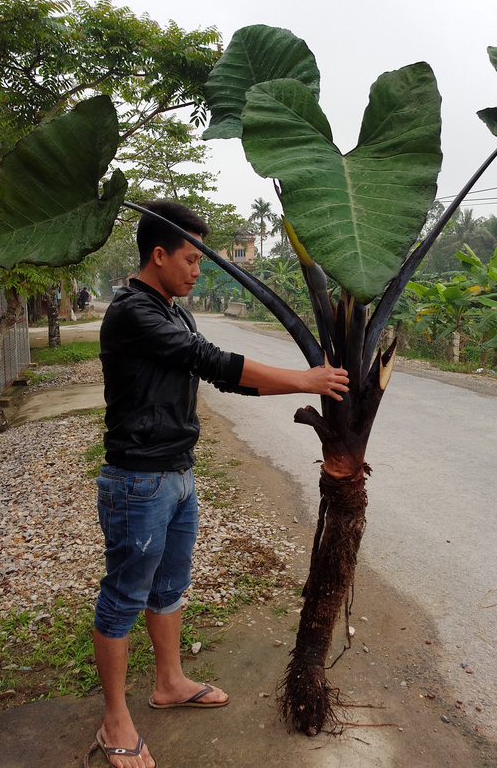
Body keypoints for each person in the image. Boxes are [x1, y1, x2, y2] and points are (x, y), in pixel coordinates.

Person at [88, 200, 349, 768]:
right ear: (158, 255)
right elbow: (210, 359)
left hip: (178, 474)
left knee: (170, 586)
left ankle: (170, 682)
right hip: (138, 479)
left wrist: (304, 388)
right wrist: (304, 375)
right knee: (123, 598)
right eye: (190, 258)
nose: (197, 269)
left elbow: (220, 377)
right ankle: (114, 721)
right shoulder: (134, 312)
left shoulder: (175, 311)